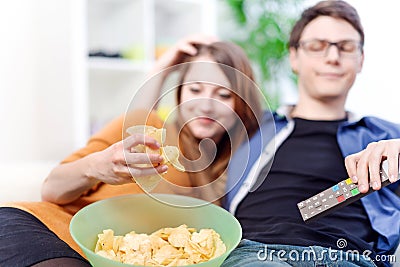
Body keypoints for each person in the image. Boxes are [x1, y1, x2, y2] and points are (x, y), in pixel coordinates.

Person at [0, 36, 265, 266]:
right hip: (43, 231)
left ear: (241, 103)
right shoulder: (147, 126)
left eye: (223, 94)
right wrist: (97, 166)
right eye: (194, 89)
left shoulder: (237, 170)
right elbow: (52, 188)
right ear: (180, 93)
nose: (205, 104)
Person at [222, 1, 400, 267]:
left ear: (361, 59)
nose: (332, 57)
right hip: (258, 255)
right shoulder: (251, 126)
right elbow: (180, 121)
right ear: (294, 57)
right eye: (317, 46)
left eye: (346, 47)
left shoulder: (386, 135)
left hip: (350, 258)